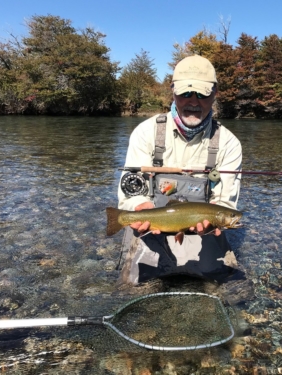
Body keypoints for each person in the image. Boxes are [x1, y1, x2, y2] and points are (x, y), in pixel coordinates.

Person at [117, 55, 243, 285]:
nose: (193, 101)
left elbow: (225, 203)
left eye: (202, 94)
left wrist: (217, 216)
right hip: (152, 226)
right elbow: (131, 189)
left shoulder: (228, 143)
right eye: (185, 93)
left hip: (200, 230)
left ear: (214, 93)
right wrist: (137, 206)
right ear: (172, 91)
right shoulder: (146, 132)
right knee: (132, 285)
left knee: (229, 288)